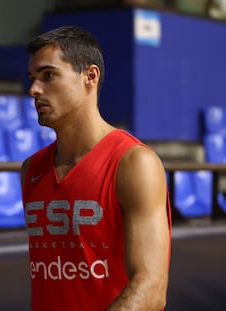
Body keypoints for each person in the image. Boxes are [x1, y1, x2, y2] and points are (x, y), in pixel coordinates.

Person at [20, 25, 172, 311]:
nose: (33, 90)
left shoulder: (133, 162)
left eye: (48, 75)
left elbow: (151, 288)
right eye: (32, 78)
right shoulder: (31, 170)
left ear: (90, 76)